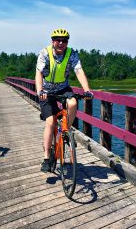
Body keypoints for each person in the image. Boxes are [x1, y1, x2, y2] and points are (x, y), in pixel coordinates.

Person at [35, 28, 94, 172]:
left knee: (73, 102)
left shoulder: (71, 53)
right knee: (51, 122)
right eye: (58, 40)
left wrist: (86, 89)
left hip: (63, 89)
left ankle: (65, 130)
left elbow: (79, 71)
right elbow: (39, 73)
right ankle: (46, 158)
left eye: (64, 41)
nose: (61, 43)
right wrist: (39, 91)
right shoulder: (44, 53)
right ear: (52, 41)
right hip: (47, 91)